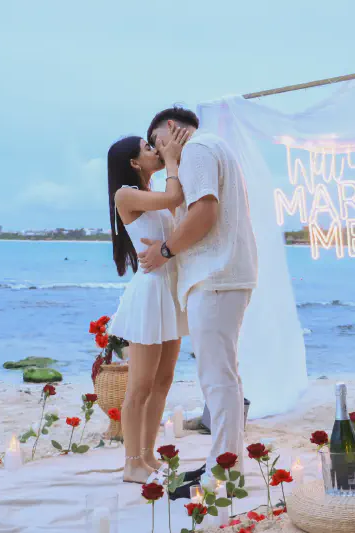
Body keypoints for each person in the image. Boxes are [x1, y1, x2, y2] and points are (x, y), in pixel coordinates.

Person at [139, 107, 258, 496]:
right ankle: (226, 462)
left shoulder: (198, 150)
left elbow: (204, 211)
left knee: (216, 377)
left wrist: (165, 251)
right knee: (224, 375)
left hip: (215, 276)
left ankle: (223, 473)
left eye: (158, 142)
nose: (159, 154)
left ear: (171, 130)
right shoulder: (212, 148)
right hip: (223, 276)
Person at [106, 127, 191, 483]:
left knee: (164, 380)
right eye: (148, 147)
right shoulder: (126, 195)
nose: (155, 149)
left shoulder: (151, 191)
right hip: (150, 292)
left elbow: (178, 198)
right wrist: (171, 159)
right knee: (140, 384)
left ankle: (148, 456)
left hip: (169, 290)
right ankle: (131, 463)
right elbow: (175, 199)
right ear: (133, 162)